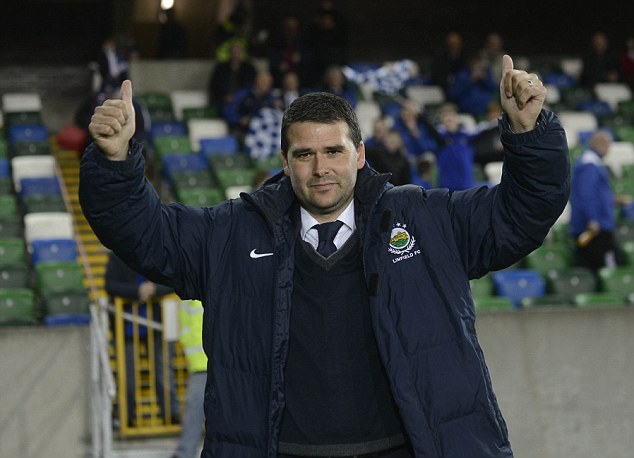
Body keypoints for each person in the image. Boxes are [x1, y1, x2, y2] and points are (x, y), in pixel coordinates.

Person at [80, 55, 569, 457]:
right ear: (285, 161)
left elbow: (521, 214)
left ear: (359, 153)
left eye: (334, 152)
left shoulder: (426, 218)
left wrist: (529, 135)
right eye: (304, 155)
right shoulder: (231, 232)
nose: (321, 169)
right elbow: (143, 233)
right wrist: (113, 161)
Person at [104, 252, 179, 426]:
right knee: (127, 376)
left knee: (163, 372)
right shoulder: (117, 255)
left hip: (157, 325)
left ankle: (171, 414)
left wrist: (153, 289)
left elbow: (173, 282)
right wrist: (137, 292)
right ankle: (126, 417)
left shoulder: (158, 251)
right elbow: (110, 285)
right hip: (126, 326)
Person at [569, 130, 625, 272]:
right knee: (608, 264)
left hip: (594, 225)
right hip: (595, 227)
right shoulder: (590, 164)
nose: (608, 148)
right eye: (605, 144)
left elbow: (593, 193)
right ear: (595, 143)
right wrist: (592, 219)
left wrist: (610, 200)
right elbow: (586, 195)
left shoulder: (591, 163)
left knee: (589, 266)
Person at [171, 300, 207, 458]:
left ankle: (184, 453)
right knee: (194, 412)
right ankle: (184, 453)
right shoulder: (188, 298)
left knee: (194, 412)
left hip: (212, 364)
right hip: (200, 365)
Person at [208, 40, 257, 112]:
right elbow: (214, 86)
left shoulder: (249, 68)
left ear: (241, 53)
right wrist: (225, 97)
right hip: (224, 101)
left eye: (238, 52)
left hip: (244, 101)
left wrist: (239, 97)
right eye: (233, 52)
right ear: (229, 53)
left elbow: (253, 85)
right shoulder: (220, 68)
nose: (236, 54)